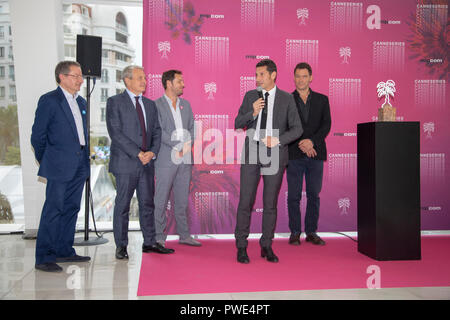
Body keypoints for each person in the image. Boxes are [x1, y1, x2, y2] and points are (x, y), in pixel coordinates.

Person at [234, 59, 303, 264]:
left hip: (275, 153)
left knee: (270, 203)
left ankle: (266, 245)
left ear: (273, 75)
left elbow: (297, 129)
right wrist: (252, 112)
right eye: (256, 75)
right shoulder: (250, 96)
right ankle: (241, 246)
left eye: (261, 74)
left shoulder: (286, 99)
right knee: (245, 201)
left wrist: (279, 140)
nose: (257, 79)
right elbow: (237, 123)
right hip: (252, 152)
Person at [106, 65, 173, 260]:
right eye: (139, 78)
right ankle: (121, 246)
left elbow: (157, 131)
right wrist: (138, 153)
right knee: (123, 206)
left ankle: (150, 242)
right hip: (126, 163)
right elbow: (115, 133)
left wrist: (151, 152)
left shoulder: (150, 105)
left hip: (147, 163)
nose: (144, 81)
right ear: (127, 80)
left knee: (147, 204)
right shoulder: (114, 102)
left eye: (144, 77)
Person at [31, 61, 91, 272]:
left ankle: (64, 250)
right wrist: (47, 159)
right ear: (62, 77)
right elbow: (37, 136)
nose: (80, 80)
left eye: (80, 76)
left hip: (80, 163)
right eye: (76, 76)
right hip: (58, 165)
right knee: (53, 209)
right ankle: (44, 257)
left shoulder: (81, 102)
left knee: (72, 208)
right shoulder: (50, 100)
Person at [153, 70, 200, 247]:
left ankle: (184, 235)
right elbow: (159, 131)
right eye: (179, 81)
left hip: (185, 159)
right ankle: (158, 236)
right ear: (169, 83)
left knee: (181, 200)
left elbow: (192, 128)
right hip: (166, 159)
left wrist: (188, 144)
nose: (183, 84)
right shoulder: (156, 105)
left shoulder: (186, 105)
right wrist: (178, 145)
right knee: (161, 200)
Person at [287, 62, 331, 246]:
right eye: (298, 76)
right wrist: (301, 144)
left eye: (304, 76)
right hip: (294, 155)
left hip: (316, 154)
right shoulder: (287, 100)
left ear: (311, 77)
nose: (301, 80)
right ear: (294, 78)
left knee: (314, 194)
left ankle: (311, 232)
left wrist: (311, 142)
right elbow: (285, 127)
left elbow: (326, 125)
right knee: (294, 196)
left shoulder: (322, 99)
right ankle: (295, 232)